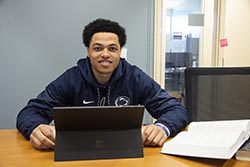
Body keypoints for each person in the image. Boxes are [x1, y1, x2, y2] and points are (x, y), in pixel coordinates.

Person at [16, 18, 188, 150]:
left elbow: (176, 110)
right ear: (88, 52)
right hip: (78, 152)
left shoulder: (134, 77)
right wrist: (34, 128)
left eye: (112, 48)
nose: (105, 54)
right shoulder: (71, 78)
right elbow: (30, 112)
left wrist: (162, 127)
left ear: (120, 51)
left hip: (125, 151)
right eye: (98, 48)